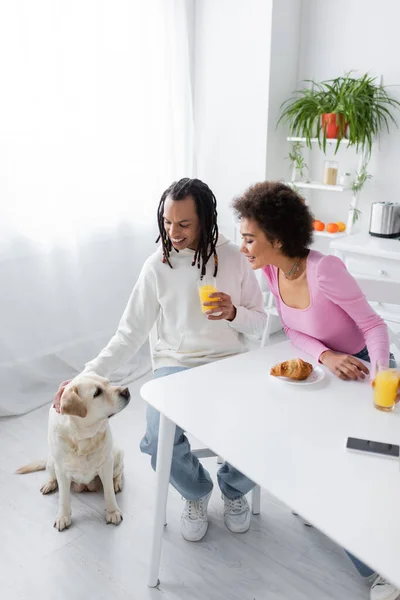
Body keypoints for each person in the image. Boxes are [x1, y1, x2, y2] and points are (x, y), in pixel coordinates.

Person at [54, 177, 267, 542]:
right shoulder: (157, 266)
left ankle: (233, 490)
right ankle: (196, 493)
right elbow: (129, 335)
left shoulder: (233, 259)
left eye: (184, 224)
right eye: (167, 222)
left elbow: (260, 322)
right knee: (155, 437)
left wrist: (233, 313)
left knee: (262, 423)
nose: (173, 232)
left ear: (205, 220)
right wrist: (84, 377)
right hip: (176, 364)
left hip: (229, 361)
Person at [233, 180, 399, 600]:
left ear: (278, 237)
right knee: (306, 451)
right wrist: (326, 357)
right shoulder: (272, 270)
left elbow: (375, 327)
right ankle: (324, 509)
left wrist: (380, 374)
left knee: (356, 473)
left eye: (250, 239)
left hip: (368, 375)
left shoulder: (325, 271)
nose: (244, 247)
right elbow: (292, 329)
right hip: (329, 375)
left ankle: (382, 568)